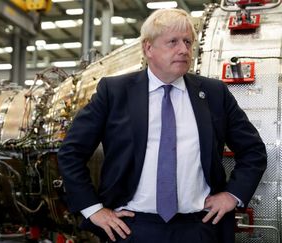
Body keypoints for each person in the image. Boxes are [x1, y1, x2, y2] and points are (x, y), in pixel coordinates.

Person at [58, 8, 267, 243]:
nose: (184, 50)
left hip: (200, 228)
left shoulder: (213, 93)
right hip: (132, 228)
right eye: (173, 42)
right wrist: (92, 209)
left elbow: (253, 150)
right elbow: (71, 152)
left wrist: (232, 194)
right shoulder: (114, 92)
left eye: (188, 42)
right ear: (148, 48)